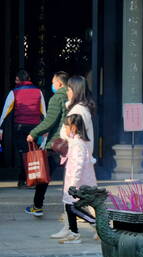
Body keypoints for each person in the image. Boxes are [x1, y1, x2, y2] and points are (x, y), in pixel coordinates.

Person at [50, 75, 96, 239]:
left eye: (69, 89)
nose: (67, 92)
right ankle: (71, 228)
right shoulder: (80, 108)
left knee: (77, 197)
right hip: (78, 158)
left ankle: (89, 226)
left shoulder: (78, 111)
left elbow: (69, 134)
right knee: (80, 196)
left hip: (77, 158)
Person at [24, 71, 69, 217]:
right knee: (71, 175)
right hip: (70, 142)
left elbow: (49, 121)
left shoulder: (57, 98)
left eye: (53, 82)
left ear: (59, 83)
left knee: (44, 174)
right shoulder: (72, 96)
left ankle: (37, 206)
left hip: (56, 143)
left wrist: (33, 133)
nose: (52, 85)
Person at [0, 70, 46, 187]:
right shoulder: (38, 92)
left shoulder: (14, 92)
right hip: (35, 127)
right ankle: (32, 179)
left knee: (22, 154)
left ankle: (23, 180)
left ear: (19, 80)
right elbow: (43, 112)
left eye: (15, 79)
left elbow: (5, 112)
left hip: (20, 127)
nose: (15, 82)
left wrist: (0, 128)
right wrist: (45, 128)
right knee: (32, 152)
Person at [57, 114, 97, 244]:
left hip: (77, 182)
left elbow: (78, 165)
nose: (65, 129)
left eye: (66, 126)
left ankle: (94, 222)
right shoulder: (76, 142)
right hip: (73, 181)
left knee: (73, 207)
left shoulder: (78, 143)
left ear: (73, 127)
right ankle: (74, 233)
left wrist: (73, 184)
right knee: (70, 206)